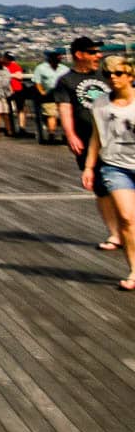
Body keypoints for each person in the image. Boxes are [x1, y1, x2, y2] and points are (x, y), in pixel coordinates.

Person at [55, 37, 118, 253]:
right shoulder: (67, 81)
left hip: (117, 140)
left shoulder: (108, 77)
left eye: (98, 52)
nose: (98, 56)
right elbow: (65, 108)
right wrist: (70, 134)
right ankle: (115, 233)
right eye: (93, 52)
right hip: (87, 140)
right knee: (101, 188)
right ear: (79, 54)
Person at [80, 56, 135, 291]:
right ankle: (134, 270)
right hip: (115, 165)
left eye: (118, 73)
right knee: (126, 217)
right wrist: (89, 167)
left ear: (130, 76)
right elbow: (96, 136)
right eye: (108, 74)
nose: (113, 78)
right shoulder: (100, 104)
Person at [32, 48, 68, 142]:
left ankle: (66, 134)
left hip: (62, 94)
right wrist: (41, 92)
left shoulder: (64, 68)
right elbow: (37, 82)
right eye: (57, 56)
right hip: (48, 94)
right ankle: (51, 133)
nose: (60, 58)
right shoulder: (41, 68)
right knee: (51, 114)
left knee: (64, 114)